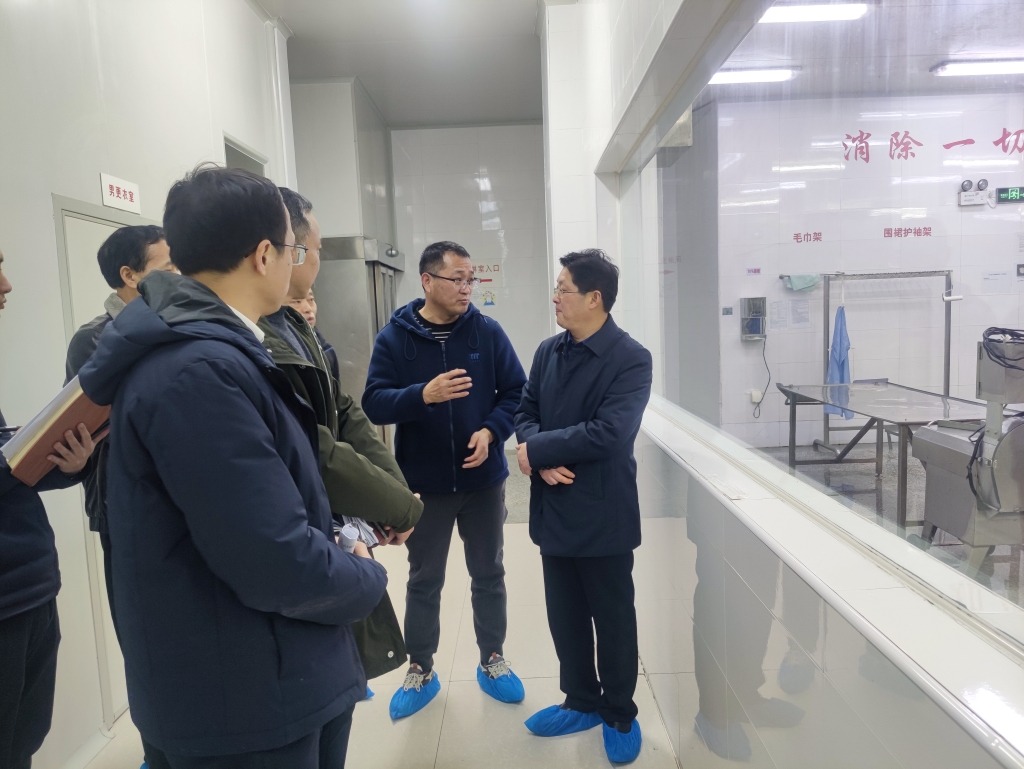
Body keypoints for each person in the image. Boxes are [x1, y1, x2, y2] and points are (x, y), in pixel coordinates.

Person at [77, 166, 387, 769]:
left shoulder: (222, 350)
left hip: (270, 672)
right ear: (265, 255)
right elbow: (273, 559)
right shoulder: (198, 373)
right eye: (296, 249)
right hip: (245, 701)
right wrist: (365, 578)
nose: (299, 263)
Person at [262, 187, 423, 684]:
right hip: (303, 530)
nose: (316, 259)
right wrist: (399, 506)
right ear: (280, 251)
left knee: (340, 672)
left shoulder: (295, 327)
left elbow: (344, 411)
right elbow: (314, 445)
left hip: (335, 519)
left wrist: (393, 495)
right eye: (313, 247)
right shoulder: (248, 342)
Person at [362, 240, 527, 719]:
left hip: (483, 483)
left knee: (489, 572)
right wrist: (422, 395)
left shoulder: (487, 333)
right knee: (424, 578)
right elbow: (374, 402)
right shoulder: (394, 339)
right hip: (424, 486)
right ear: (428, 281)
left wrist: (492, 432)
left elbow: (517, 392)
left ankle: (492, 658)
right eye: (458, 279)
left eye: (471, 279)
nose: (467, 288)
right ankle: (421, 667)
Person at [514, 249, 653, 765]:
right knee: (565, 615)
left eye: (563, 289)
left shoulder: (630, 358)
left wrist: (538, 450)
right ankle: (580, 700)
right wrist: (537, 452)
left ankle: (618, 712)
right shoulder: (548, 351)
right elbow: (526, 410)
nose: (555, 297)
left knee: (612, 619)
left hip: (603, 512)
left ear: (595, 298)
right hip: (554, 507)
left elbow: (610, 432)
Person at [0, 248, 97, 769]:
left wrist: (69, 459)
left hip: (31, 587)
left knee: (24, 740)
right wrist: (13, 457)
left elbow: (13, 469)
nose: (7, 284)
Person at [64, 225, 177, 632]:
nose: (180, 275)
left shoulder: (178, 324)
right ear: (130, 275)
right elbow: (88, 427)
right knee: (145, 631)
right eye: (169, 267)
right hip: (126, 508)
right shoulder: (94, 340)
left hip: (178, 498)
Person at [288, 287, 340, 384]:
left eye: (311, 300)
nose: (308, 309)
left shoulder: (326, 350)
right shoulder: (281, 353)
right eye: (297, 302)